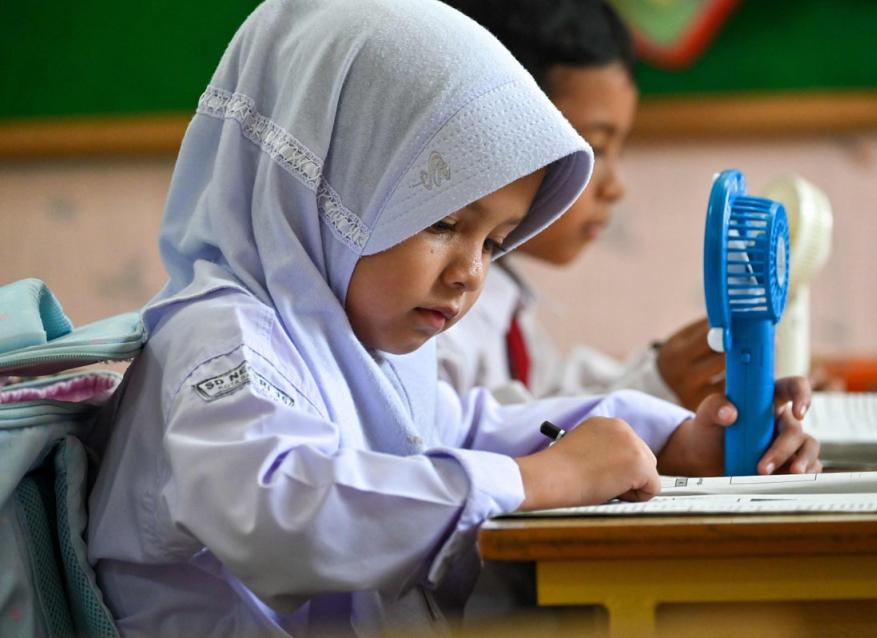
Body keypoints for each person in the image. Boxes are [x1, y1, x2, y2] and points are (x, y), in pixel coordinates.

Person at [86, 1, 821, 636]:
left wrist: (670, 441)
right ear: (322, 186)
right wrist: (534, 482)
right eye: (442, 221)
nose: (470, 271)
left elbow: (461, 431)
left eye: (495, 242)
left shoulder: (363, 343)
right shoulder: (221, 339)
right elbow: (285, 514)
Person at [438, 0, 724, 410]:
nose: (616, 187)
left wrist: (670, 376)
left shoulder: (503, 297)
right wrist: (655, 387)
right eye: (593, 148)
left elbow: (548, 395)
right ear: (493, 127)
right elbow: (486, 441)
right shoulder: (437, 310)